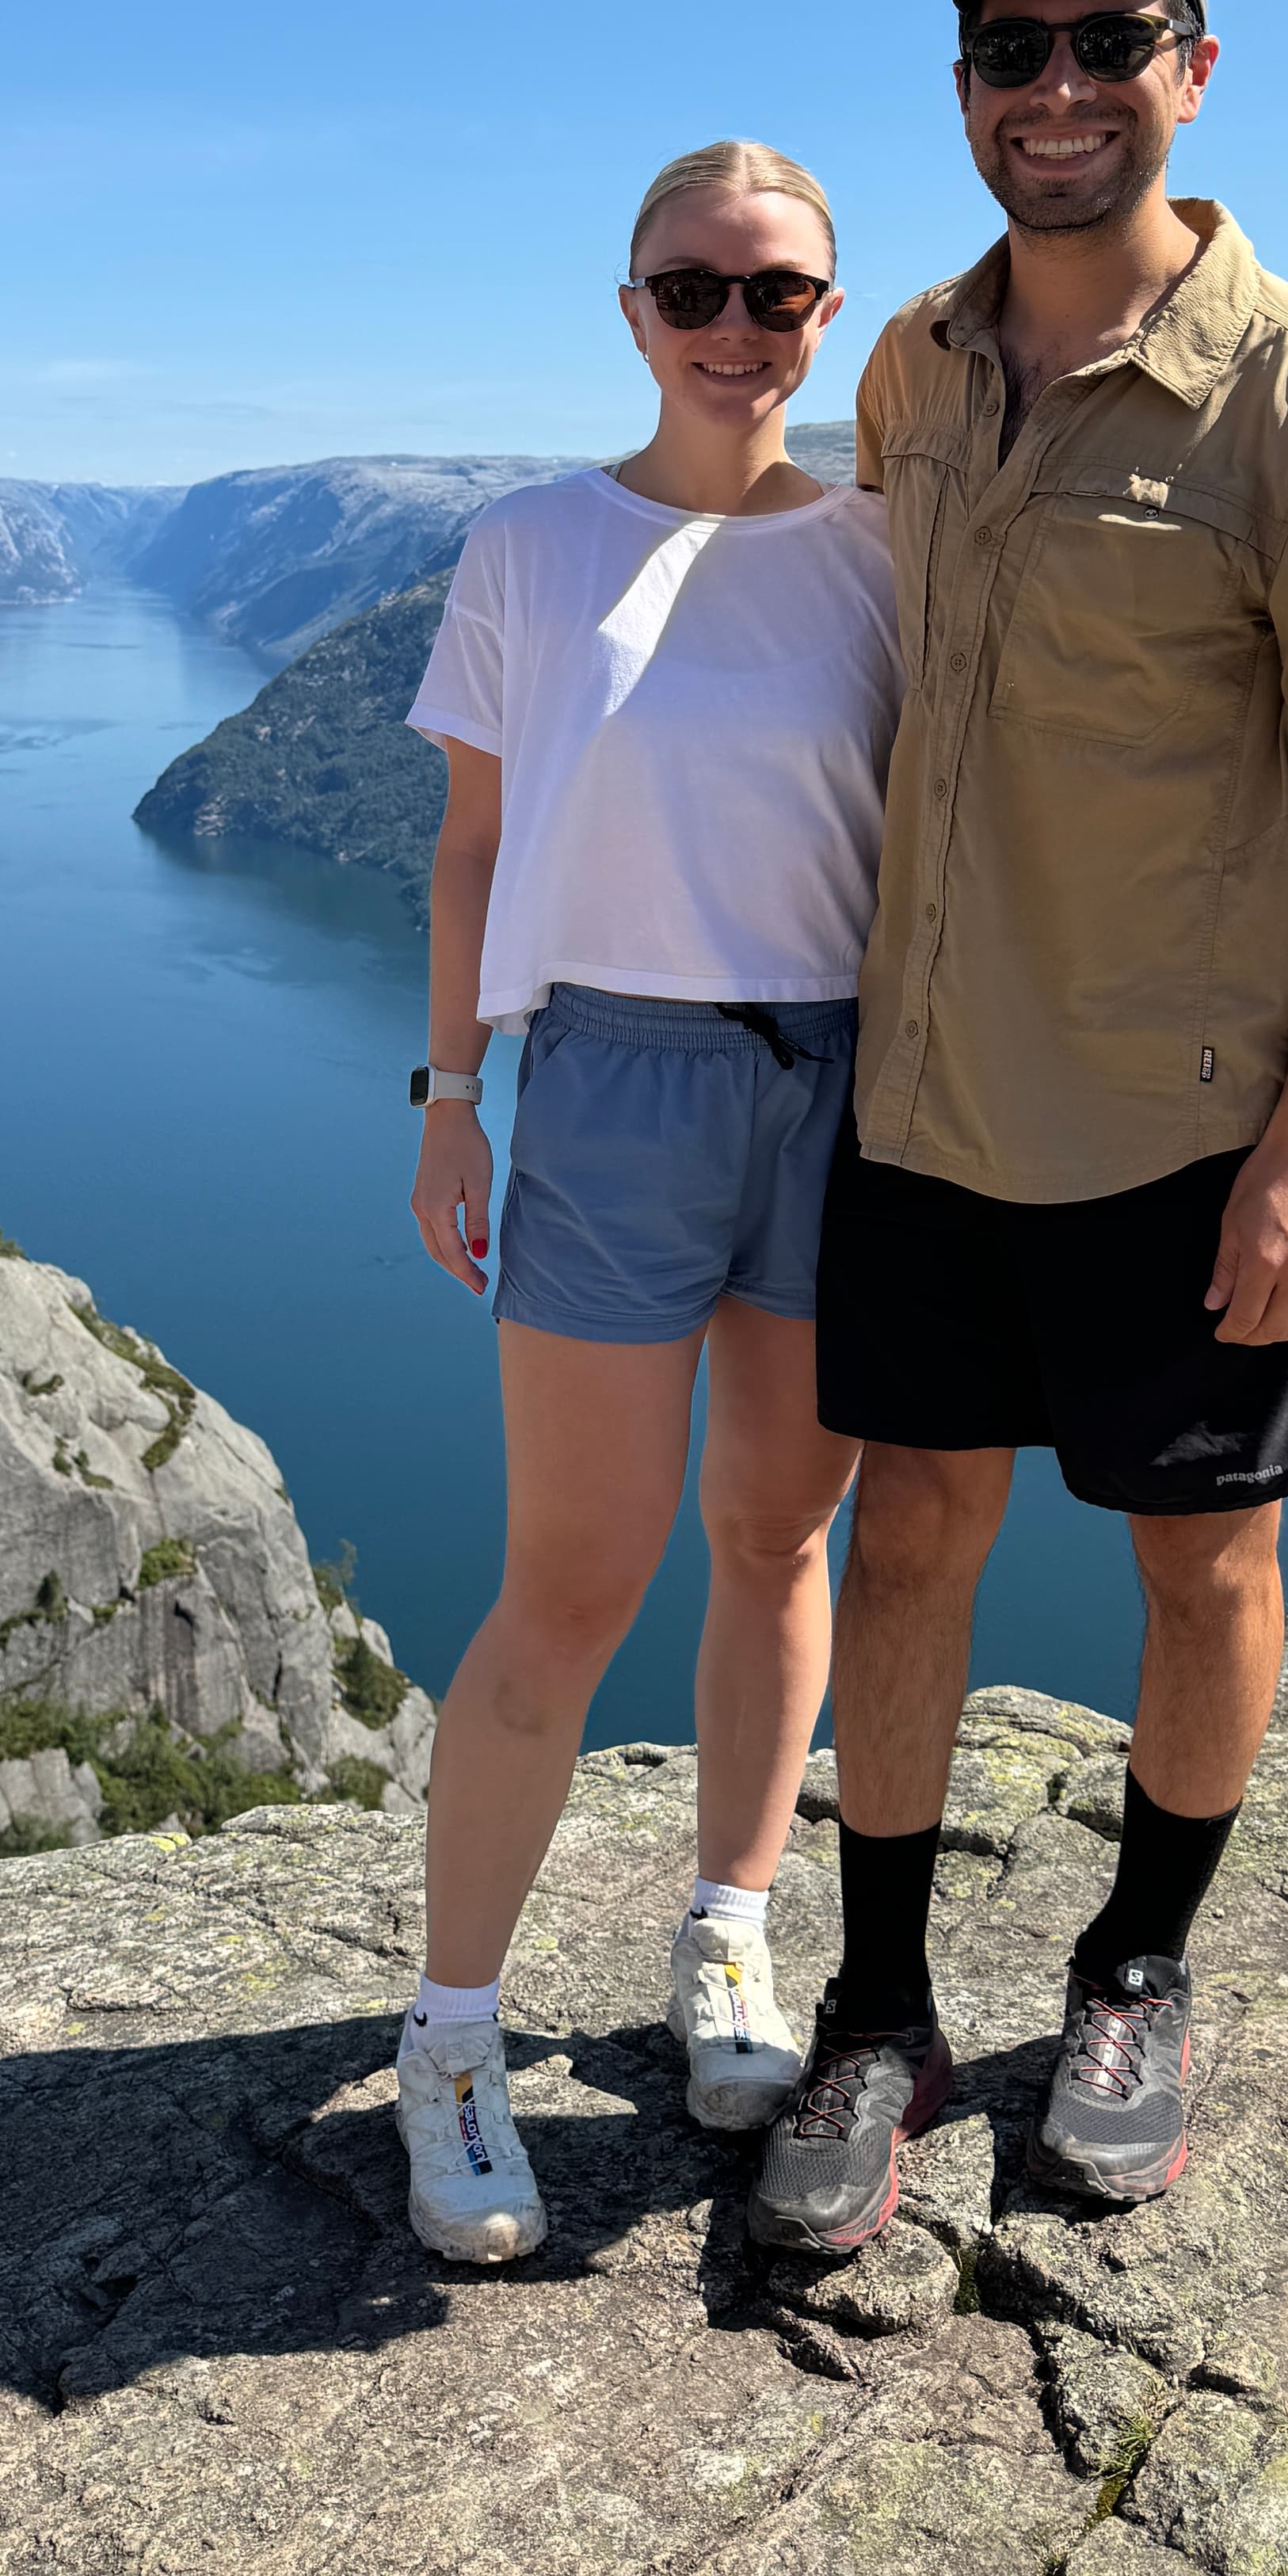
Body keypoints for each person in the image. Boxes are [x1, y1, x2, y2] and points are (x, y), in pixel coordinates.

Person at [753, 0, 1288, 2253]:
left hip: (1182, 1129)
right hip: (926, 1101)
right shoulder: (917, 373)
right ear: (963, 89)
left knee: (1203, 1564)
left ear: (1194, 62)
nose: (1054, 87)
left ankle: (1138, 1974)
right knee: (920, 1537)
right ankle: (881, 2014)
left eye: (1105, 37)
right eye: (1008, 48)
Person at [394, 139, 901, 2265]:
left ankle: (727, 1930)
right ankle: (449, 2040)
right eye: (692, 291)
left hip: (844, 1078)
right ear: (629, 313)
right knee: (568, 1591)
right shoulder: (529, 548)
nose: (734, 332)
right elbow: (472, 852)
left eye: (777, 295)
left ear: (828, 315)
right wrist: (451, 1094)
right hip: (608, 1082)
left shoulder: (888, 550)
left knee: (782, 1536)